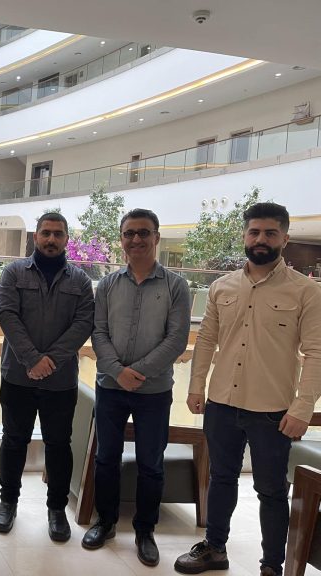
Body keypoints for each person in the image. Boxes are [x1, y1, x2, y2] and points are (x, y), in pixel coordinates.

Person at [174, 202, 321, 576]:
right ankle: (215, 548)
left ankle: (272, 565)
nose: (261, 239)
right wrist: (196, 386)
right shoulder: (222, 287)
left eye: (270, 233)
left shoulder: (305, 291)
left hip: (272, 410)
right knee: (221, 478)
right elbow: (206, 340)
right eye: (254, 232)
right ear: (244, 235)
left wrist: (302, 407)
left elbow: (317, 352)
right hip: (221, 403)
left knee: (271, 490)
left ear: (285, 238)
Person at [83, 208, 191, 566]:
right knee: (106, 458)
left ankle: (145, 530)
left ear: (156, 238)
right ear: (122, 239)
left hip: (154, 392)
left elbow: (176, 339)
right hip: (110, 387)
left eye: (144, 232)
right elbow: (98, 332)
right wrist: (118, 372)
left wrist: (137, 373)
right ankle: (106, 522)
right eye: (129, 233)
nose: (136, 239)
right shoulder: (107, 285)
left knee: (151, 463)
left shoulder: (176, 286)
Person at [0, 212, 94, 542]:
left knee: (59, 445)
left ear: (66, 239)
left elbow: (83, 323)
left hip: (60, 380)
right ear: (35, 237)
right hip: (18, 376)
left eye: (58, 234)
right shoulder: (13, 272)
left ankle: (56, 510)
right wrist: (32, 359)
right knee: (13, 441)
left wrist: (50, 360)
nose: (51, 239)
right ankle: (8, 502)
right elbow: (7, 315)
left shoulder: (80, 281)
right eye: (46, 233)